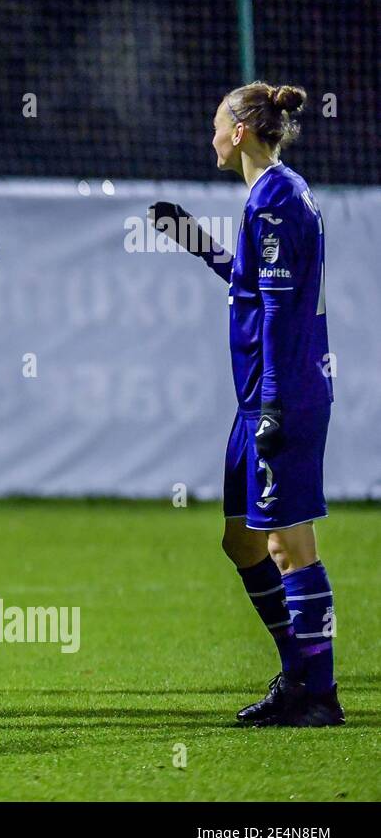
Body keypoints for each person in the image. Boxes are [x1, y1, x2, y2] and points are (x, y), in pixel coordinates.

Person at [149, 82, 341, 727]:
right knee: (241, 540)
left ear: (238, 132)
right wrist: (198, 242)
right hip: (260, 395)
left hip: (278, 392)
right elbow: (255, 288)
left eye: (214, 125)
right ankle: (298, 672)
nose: (209, 136)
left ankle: (319, 691)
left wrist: (276, 405)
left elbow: (285, 312)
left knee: (291, 548)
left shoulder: (280, 197)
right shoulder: (268, 195)